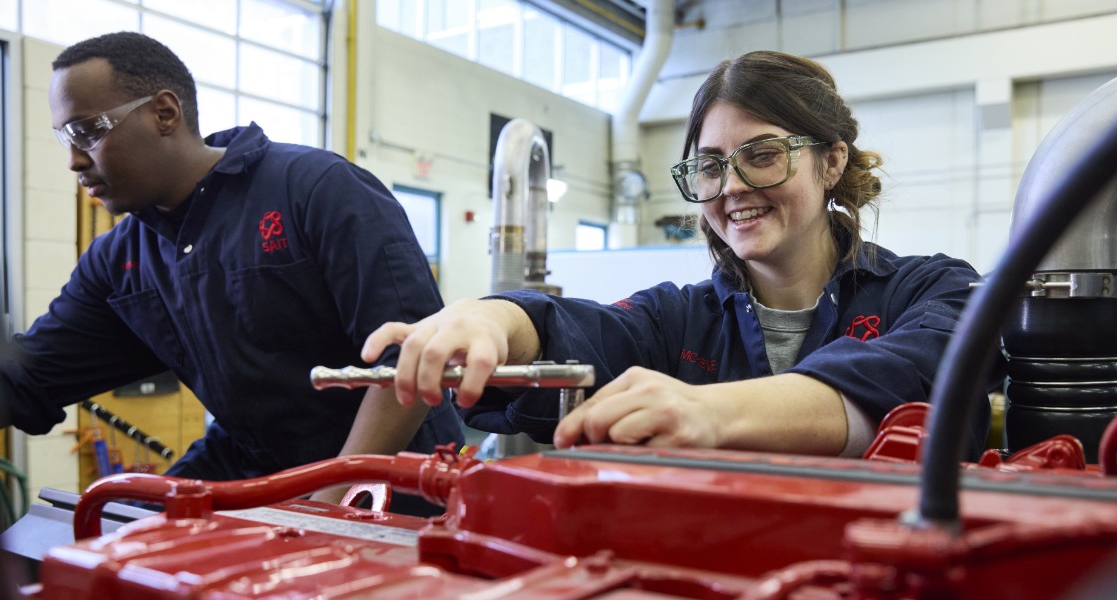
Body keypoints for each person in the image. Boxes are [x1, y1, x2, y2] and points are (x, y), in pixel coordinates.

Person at [363, 51, 1002, 459]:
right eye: (709, 166)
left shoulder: (929, 290)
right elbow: (579, 332)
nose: (731, 188)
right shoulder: (680, 321)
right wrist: (490, 320)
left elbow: (924, 379)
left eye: (763, 155)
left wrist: (710, 411)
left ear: (831, 160)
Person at [0, 31, 463, 482]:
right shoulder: (119, 262)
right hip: (252, 465)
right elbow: (31, 374)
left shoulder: (316, 190)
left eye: (87, 131)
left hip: (390, 475)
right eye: (65, 137)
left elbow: (411, 357)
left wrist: (336, 497)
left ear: (164, 113)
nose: (75, 160)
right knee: (124, 531)